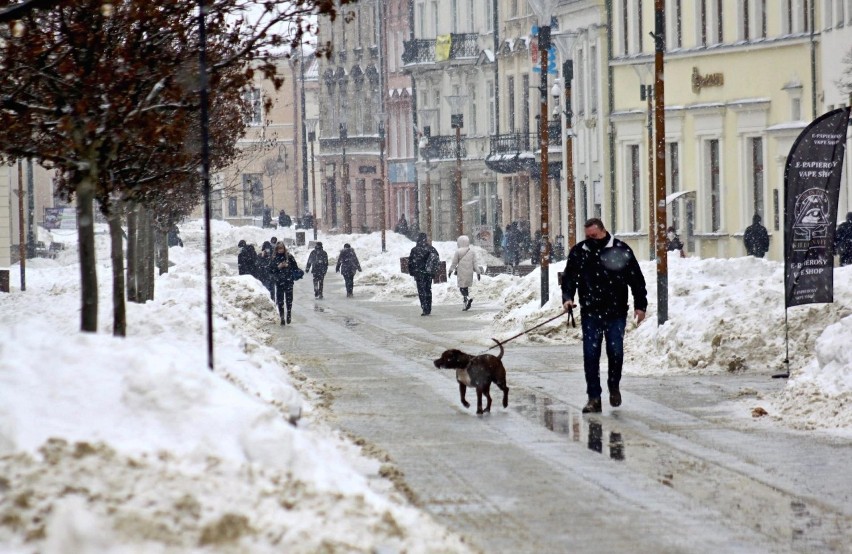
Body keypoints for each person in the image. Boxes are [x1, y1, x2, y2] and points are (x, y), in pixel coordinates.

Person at [561, 218, 648, 414]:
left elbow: (636, 279)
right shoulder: (580, 251)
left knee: (615, 351)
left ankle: (613, 385)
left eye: (594, 236)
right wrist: (567, 298)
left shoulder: (620, 249)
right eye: (588, 236)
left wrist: (640, 305)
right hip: (590, 311)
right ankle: (594, 398)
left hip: (616, 312)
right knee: (591, 355)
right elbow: (569, 278)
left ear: (603, 232)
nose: (591, 240)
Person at [408, 232, 439, 316]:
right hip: (428, 273)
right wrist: (433, 271)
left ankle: (424, 307)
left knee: (421, 291)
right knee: (428, 290)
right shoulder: (431, 249)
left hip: (418, 274)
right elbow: (436, 260)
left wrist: (412, 272)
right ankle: (428, 307)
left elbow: (410, 262)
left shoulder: (414, 250)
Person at [448, 235, 482, 311]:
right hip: (469, 272)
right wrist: (478, 273)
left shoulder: (458, 251)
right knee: (465, 287)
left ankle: (467, 298)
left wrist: (450, 271)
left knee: (462, 288)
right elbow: (475, 263)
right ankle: (465, 304)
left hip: (461, 272)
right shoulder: (472, 252)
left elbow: (454, 263)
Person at [269, 242, 300, 325]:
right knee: (280, 301)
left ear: (284, 249)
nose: (280, 250)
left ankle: (289, 313)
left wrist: (287, 266)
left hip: (288, 281)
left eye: (281, 248)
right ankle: (282, 317)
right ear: (276, 249)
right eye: (278, 249)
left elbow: (296, 268)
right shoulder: (274, 258)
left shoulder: (289, 257)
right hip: (279, 282)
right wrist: (278, 267)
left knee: (289, 299)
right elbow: (270, 270)